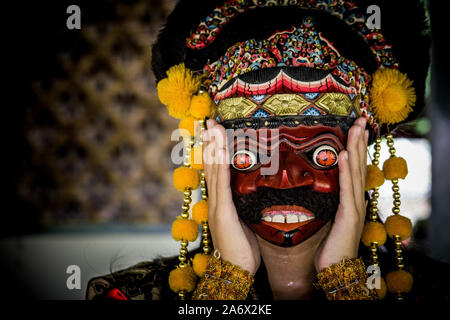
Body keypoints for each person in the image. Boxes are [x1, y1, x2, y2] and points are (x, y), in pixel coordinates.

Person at [87, 0, 450, 301]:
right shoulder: (127, 296)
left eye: (319, 154)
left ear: (360, 155)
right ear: (215, 159)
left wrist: (346, 282)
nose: (284, 177)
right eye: (249, 156)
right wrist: (226, 280)